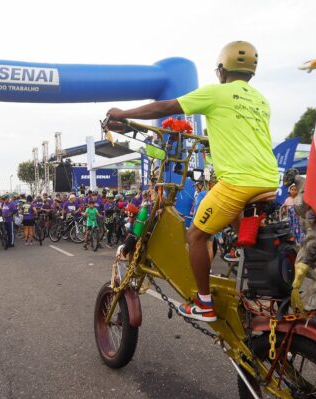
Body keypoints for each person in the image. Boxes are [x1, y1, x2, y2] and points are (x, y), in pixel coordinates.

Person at [107, 41, 280, 322]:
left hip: (238, 182)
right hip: (269, 180)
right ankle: (258, 291)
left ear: (222, 70)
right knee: (245, 233)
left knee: (197, 235)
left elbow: (166, 106)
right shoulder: (261, 101)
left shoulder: (217, 92)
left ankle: (205, 303)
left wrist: (123, 114)